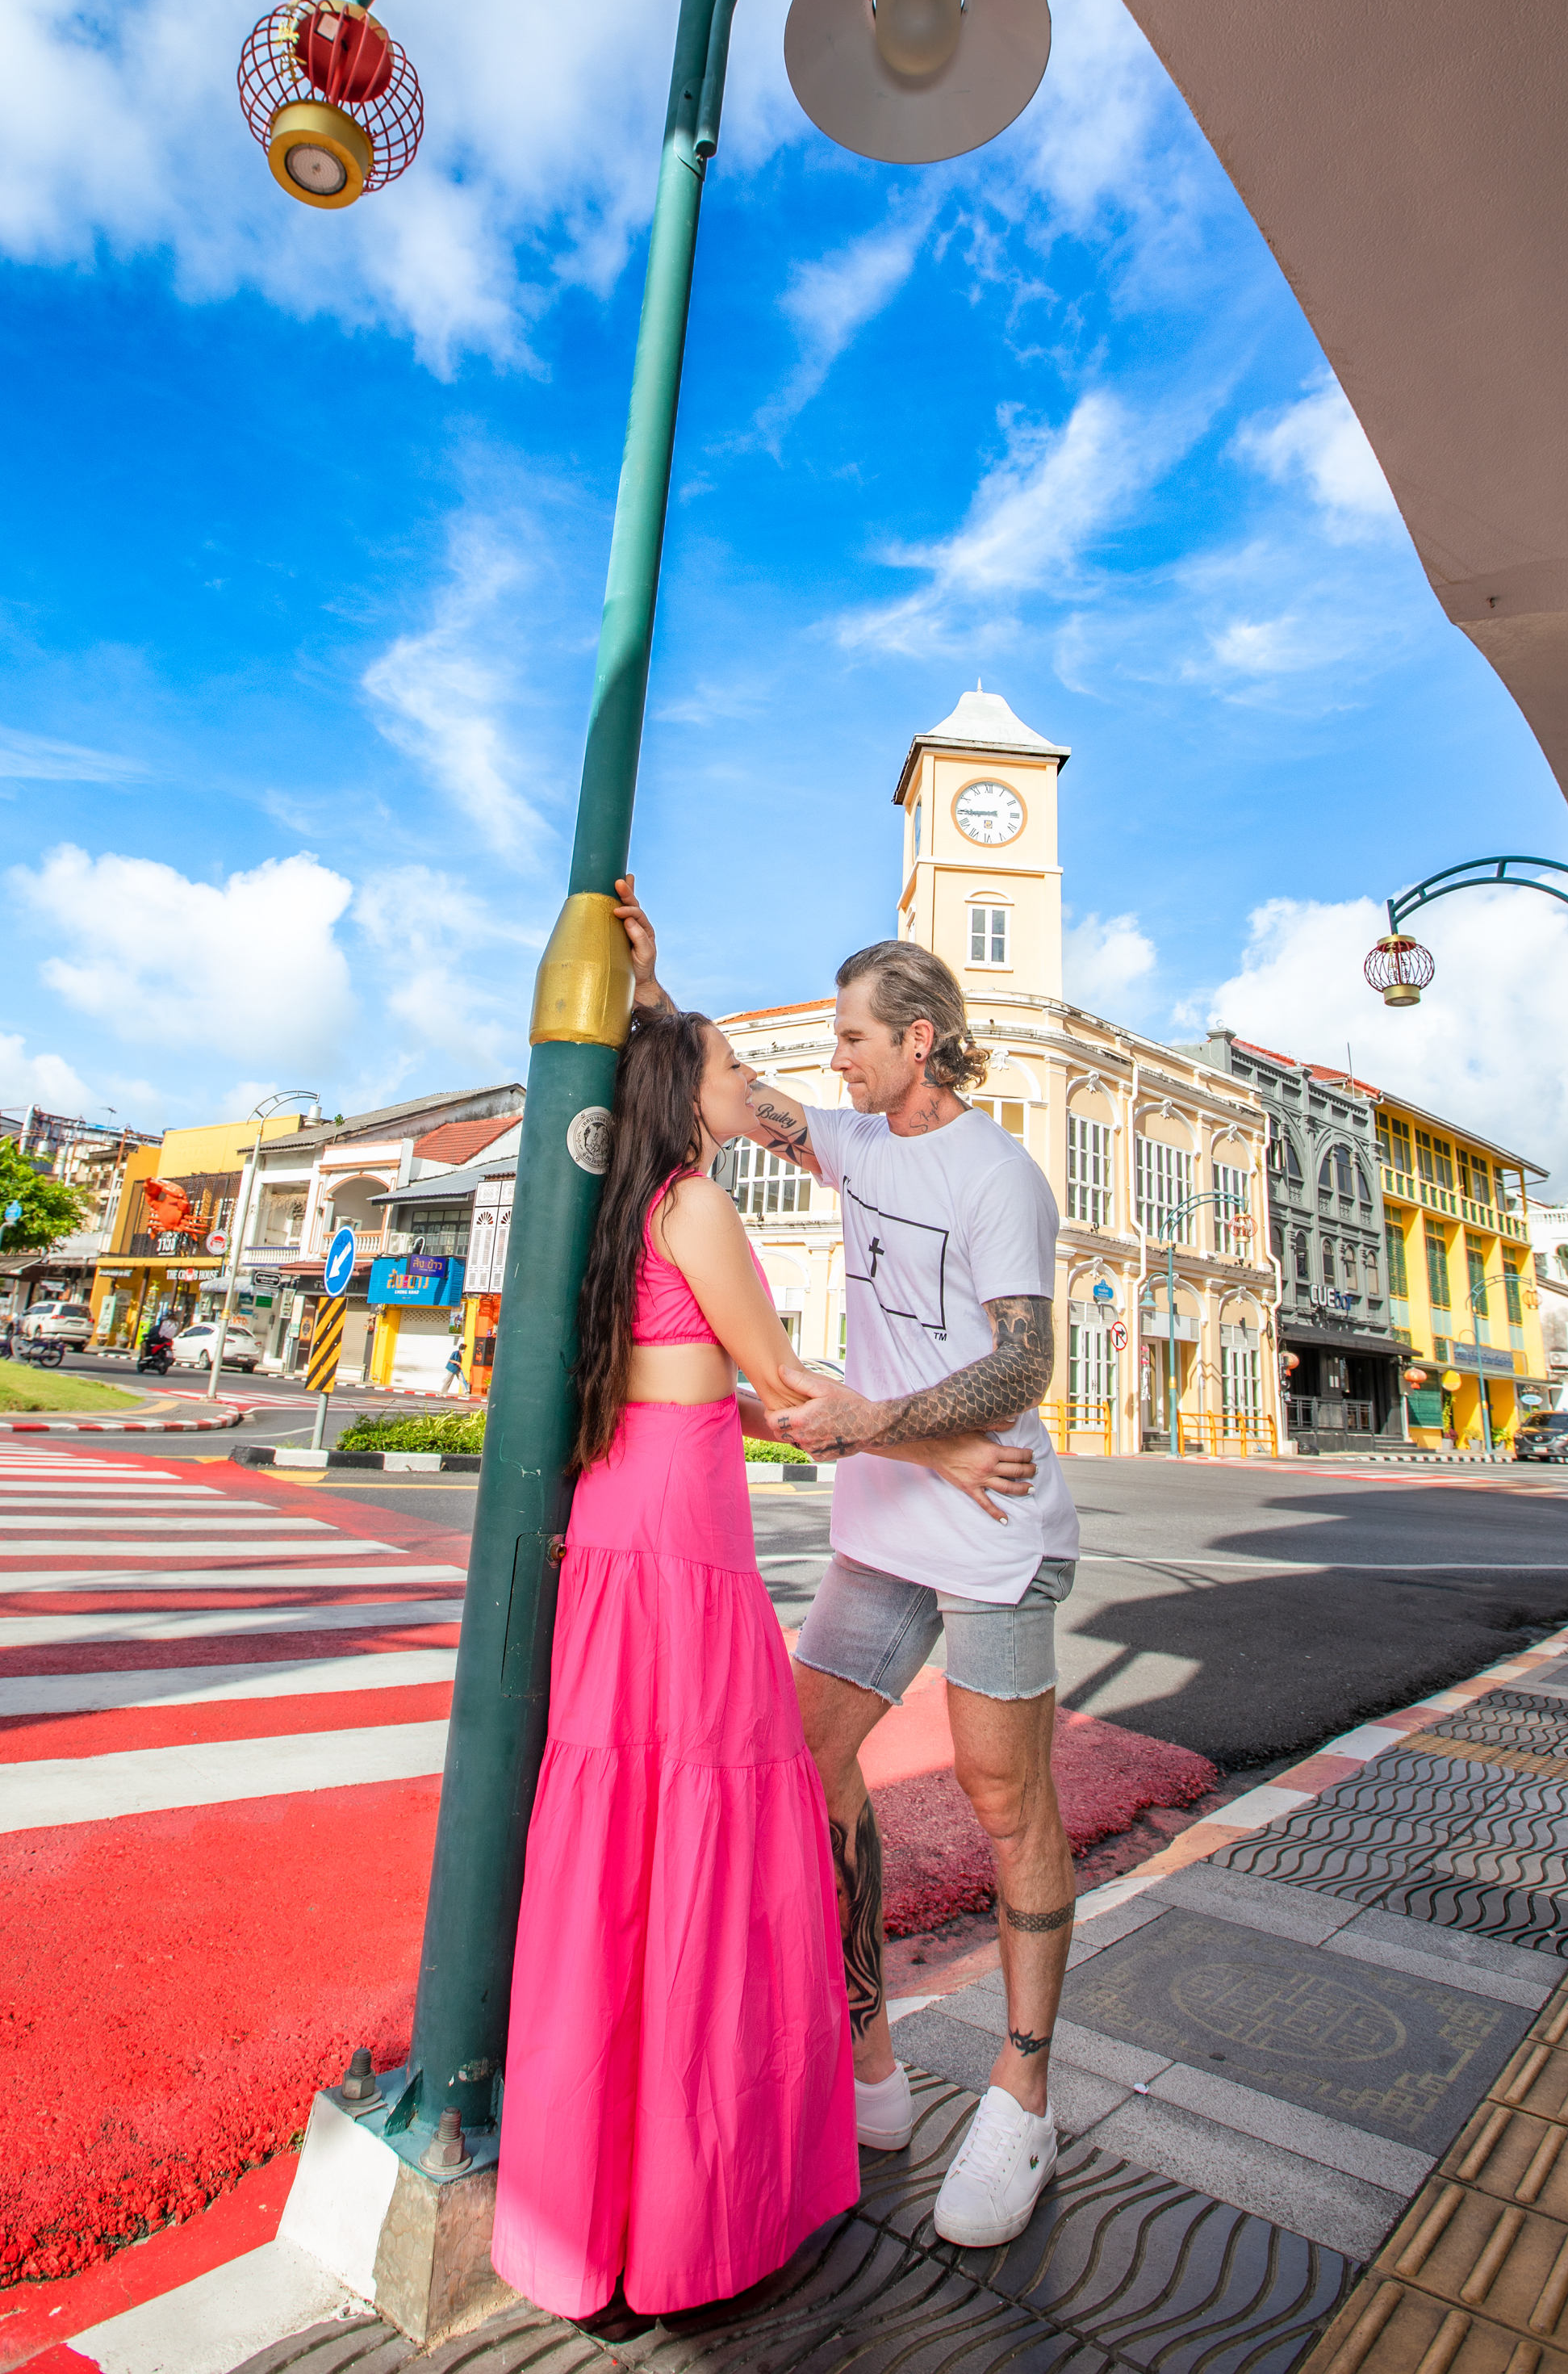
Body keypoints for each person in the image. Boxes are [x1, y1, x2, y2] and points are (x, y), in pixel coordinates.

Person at [491, 1003, 1032, 2324]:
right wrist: (947, 1448)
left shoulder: (627, 1208)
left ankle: (589, 2203)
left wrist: (654, 975)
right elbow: (789, 1384)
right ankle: (692, 2206)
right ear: (687, 1092)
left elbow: (708, 1387)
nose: (764, 1083)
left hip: (627, 1517)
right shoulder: (698, 1207)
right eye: (738, 1068)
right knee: (707, 1832)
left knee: (617, 1833)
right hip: (684, 1543)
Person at [617, 879, 1082, 2252]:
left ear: (921, 1039)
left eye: (855, 1039)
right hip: (885, 1529)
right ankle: (871, 2057)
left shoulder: (997, 1174)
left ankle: (1024, 2092)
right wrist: (655, 985)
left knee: (1008, 1799)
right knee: (809, 1756)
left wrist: (880, 1422)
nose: (834, 1059)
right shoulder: (853, 1143)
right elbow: (732, 1101)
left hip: (995, 1525)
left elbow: (1025, 1362)